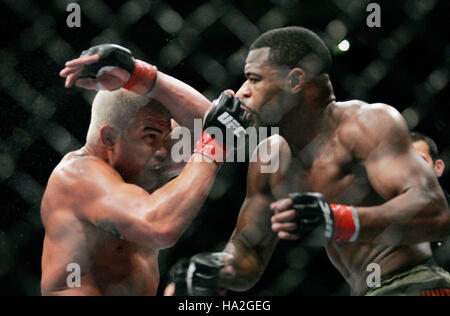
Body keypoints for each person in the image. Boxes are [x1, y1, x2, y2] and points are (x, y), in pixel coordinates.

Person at [170, 26, 450, 296]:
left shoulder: (366, 124)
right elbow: (249, 250)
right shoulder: (270, 157)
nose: (241, 91)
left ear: (294, 81)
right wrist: (221, 267)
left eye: (254, 79)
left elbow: (435, 212)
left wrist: (338, 219)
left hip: (416, 283)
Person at [41, 45, 253, 296]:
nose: (164, 152)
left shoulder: (147, 162)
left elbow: (215, 123)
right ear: (109, 138)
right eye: (150, 137)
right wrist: (213, 146)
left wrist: (138, 74)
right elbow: (159, 228)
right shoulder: (77, 176)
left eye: (165, 137)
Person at [410, 131, 450, 272]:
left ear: (438, 168)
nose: (411, 170)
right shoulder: (382, 221)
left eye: (420, 162)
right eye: (404, 164)